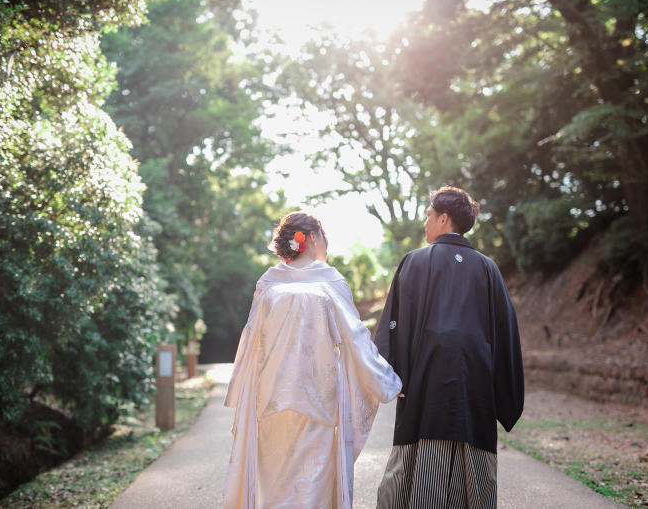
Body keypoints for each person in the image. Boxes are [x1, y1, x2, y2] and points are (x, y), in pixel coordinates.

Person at [223, 211, 402, 509]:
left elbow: (250, 337)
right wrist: (387, 381)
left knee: (276, 475)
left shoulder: (269, 283)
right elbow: (355, 337)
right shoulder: (330, 282)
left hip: (271, 392)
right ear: (313, 237)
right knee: (311, 477)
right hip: (318, 392)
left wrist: (241, 386)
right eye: (325, 234)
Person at [374, 186, 525, 509]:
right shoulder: (488, 269)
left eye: (428, 215)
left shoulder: (414, 262)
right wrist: (503, 392)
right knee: (473, 446)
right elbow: (506, 334)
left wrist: (391, 373)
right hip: (476, 382)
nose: (425, 223)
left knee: (414, 455)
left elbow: (394, 322)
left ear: (443, 218)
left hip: (424, 380)